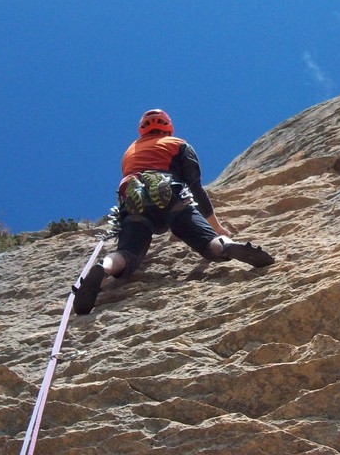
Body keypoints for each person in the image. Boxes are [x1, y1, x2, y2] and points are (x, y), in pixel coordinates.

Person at [73, 108, 274, 314]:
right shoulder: (178, 143)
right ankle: (226, 246)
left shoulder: (130, 152)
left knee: (128, 252)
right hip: (171, 195)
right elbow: (195, 186)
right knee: (206, 240)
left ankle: (103, 267)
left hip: (134, 203)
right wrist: (217, 227)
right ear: (167, 127)